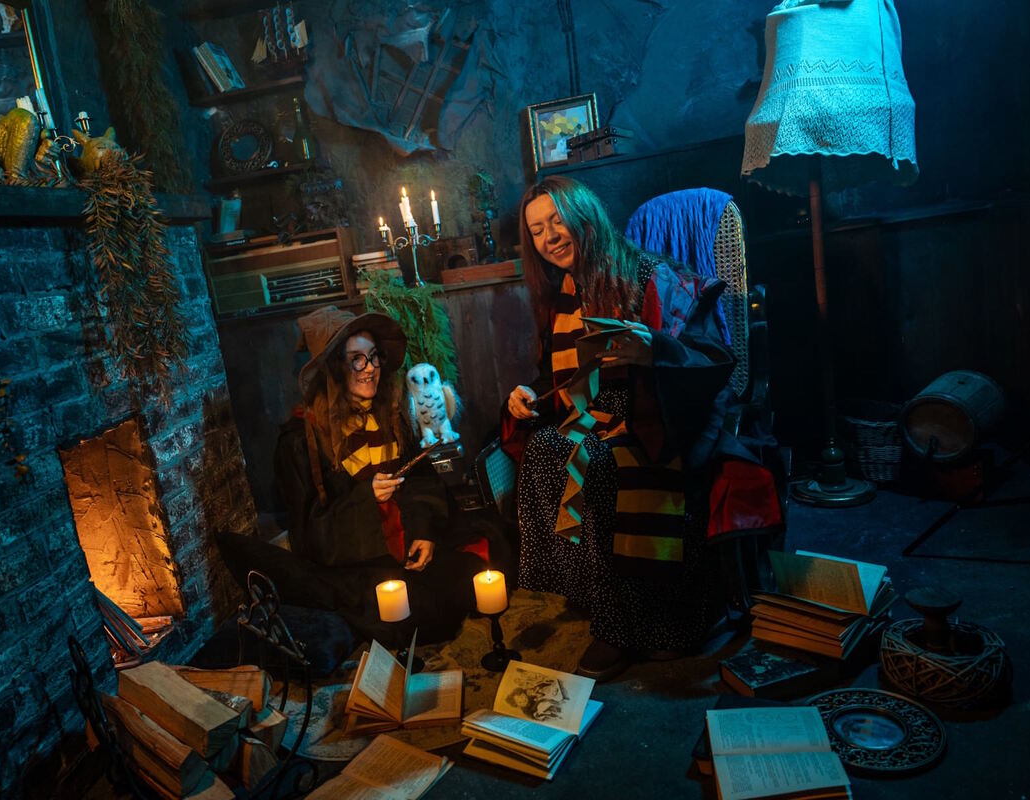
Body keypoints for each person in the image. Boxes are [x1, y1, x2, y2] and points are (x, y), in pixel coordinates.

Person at [503, 176, 781, 681]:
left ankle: (639, 625)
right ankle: (601, 599)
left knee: (605, 466)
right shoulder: (564, 292)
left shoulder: (652, 278)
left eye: (557, 221)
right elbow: (557, 379)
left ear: (585, 215)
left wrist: (655, 351)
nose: (549, 237)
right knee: (545, 448)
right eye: (537, 230)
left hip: (660, 418)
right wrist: (526, 395)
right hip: (594, 419)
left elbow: (713, 360)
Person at [253, 306, 486, 645]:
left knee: (474, 575)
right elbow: (309, 534)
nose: (371, 368)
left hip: (408, 541)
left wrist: (424, 534)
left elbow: (422, 480)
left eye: (374, 357)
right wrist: (366, 497)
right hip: (358, 561)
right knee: (418, 613)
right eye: (357, 360)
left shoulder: (390, 416)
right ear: (334, 368)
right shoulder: (300, 442)